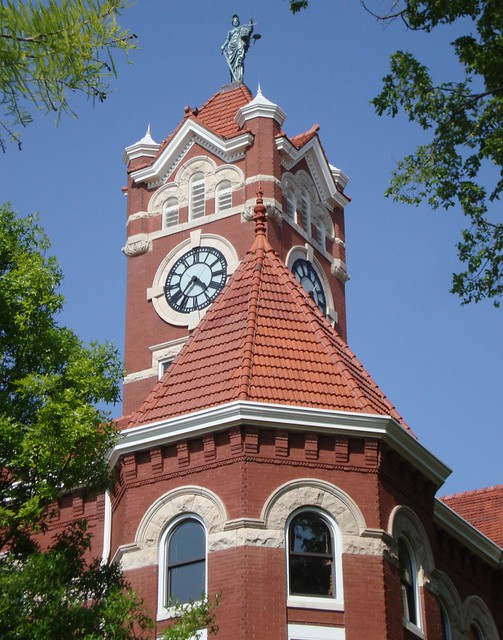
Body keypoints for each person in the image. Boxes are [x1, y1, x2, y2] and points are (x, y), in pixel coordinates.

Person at [221, 15, 254, 83]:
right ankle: (233, 80)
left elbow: (250, 31)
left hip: (239, 45)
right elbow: (227, 40)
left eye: (236, 21)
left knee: (239, 61)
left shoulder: (242, 29)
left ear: (238, 22)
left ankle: (239, 78)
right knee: (232, 65)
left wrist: (251, 23)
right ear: (232, 23)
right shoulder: (230, 32)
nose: (235, 22)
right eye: (234, 21)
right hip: (231, 48)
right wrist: (223, 46)